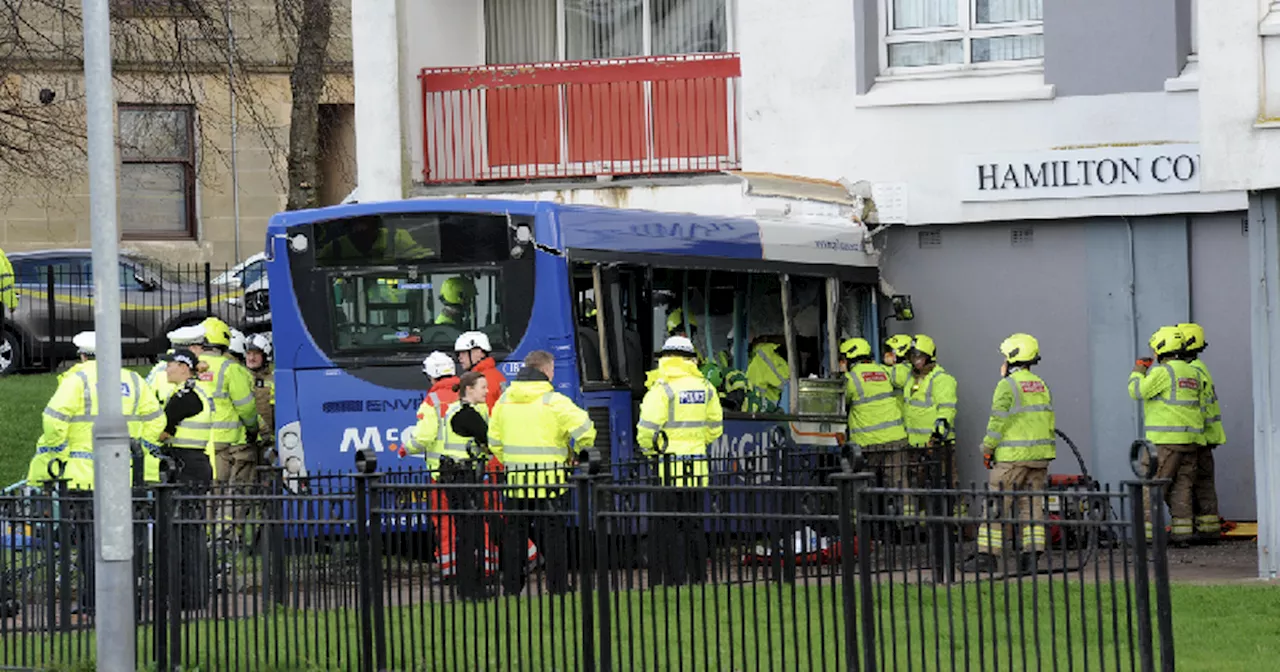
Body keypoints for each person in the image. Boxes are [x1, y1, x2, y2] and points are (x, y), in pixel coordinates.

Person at [25, 331, 165, 613]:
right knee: (126, 539)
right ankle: (128, 600)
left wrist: (57, 451)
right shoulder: (134, 380)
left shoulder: (78, 379)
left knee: (90, 540)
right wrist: (139, 449)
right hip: (126, 474)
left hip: (84, 476)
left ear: (83, 355)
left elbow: (53, 420)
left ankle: (95, 601)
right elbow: (156, 420)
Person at [489, 350, 596, 597]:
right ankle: (557, 586)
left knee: (514, 536)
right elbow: (586, 430)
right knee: (554, 535)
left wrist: (511, 462)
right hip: (551, 481)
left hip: (516, 481)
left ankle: (513, 588)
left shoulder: (504, 401)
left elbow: (494, 441)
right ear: (547, 371)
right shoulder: (554, 401)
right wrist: (576, 453)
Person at [636, 336, 723, 586]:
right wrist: (696, 443)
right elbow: (715, 428)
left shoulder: (662, 388)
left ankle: (674, 579)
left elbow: (646, 431)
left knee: (670, 527)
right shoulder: (706, 387)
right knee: (694, 524)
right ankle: (698, 577)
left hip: (667, 468)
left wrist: (652, 452)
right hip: (696, 467)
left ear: (665, 358)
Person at [969, 333, 1056, 573]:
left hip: (1012, 459)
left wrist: (987, 449)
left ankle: (987, 557)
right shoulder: (1041, 385)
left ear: (1012, 360)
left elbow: (997, 424)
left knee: (997, 504)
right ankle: (1031, 558)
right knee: (1032, 506)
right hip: (1040, 458)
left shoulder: (1007, 385)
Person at [1130, 326, 1211, 545]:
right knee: (1182, 487)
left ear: (1161, 348)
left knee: (1151, 486)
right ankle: (1182, 534)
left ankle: (1147, 536)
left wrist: (1138, 371)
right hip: (1190, 442)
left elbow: (1137, 391)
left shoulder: (1162, 372)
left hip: (1165, 441)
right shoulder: (1191, 372)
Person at [156, 347, 215, 608]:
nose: (166, 368)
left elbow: (162, 432)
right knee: (188, 531)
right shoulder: (193, 393)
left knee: (186, 532)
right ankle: (188, 594)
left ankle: (190, 596)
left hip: (186, 467)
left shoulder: (186, 397)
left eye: (169, 364)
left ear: (183, 367)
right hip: (191, 464)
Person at [439, 371, 501, 599]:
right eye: (483, 387)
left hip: (455, 477)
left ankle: (469, 587)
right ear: (469, 390)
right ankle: (471, 589)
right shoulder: (468, 415)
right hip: (463, 478)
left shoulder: (456, 411)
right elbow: (490, 442)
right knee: (470, 533)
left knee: (465, 532)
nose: (487, 391)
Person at [406, 351, 463, 579]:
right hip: (470, 471)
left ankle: (450, 569)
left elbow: (422, 438)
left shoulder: (433, 400)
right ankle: (482, 566)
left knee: (445, 520)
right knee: (475, 519)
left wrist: (405, 448)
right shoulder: (468, 391)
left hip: (442, 474)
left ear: (431, 375)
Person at [190, 317, 259, 485]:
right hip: (228, 442)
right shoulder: (231, 369)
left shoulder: (188, 366)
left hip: (197, 439)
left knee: (209, 493)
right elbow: (246, 408)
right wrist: (253, 429)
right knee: (234, 496)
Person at [840, 337, 910, 491]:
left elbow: (839, 402)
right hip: (895, 437)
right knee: (898, 482)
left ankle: (863, 514)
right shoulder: (884, 371)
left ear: (850, 358)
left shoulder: (850, 379)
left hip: (867, 442)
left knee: (864, 485)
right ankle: (907, 512)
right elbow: (902, 376)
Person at [1177, 323, 1224, 544]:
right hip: (1205, 436)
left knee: (1185, 482)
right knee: (1203, 483)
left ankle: (1188, 532)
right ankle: (1208, 530)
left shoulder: (1191, 370)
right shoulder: (1199, 367)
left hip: (1197, 437)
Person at [454, 331, 506, 411]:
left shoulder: (483, 380)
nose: (460, 357)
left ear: (480, 353)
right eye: (458, 354)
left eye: (464, 352)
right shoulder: (491, 375)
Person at [245, 334, 276, 458]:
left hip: (269, 441)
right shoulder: (239, 376)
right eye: (248, 353)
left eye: (256, 354)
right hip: (247, 440)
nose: (251, 358)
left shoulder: (274, 378)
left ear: (265, 356)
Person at [745, 336, 790, 411]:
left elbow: (786, 383)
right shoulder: (752, 358)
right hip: (761, 409)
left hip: (767, 410)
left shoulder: (764, 354)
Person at [882, 334, 915, 411]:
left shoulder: (906, 369)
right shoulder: (899, 368)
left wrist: (876, 368)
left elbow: (897, 379)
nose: (886, 354)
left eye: (889, 351)